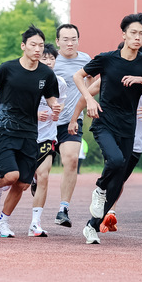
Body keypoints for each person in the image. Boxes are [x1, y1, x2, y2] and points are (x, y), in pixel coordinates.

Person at [74, 14, 142, 243]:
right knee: (114, 162)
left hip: (129, 127)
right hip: (104, 122)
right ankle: (99, 189)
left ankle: (91, 226)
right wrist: (90, 99)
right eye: (133, 32)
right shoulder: (107, 59)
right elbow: (78, 75)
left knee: (118, 183)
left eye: (141, 34)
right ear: (123, 34)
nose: (137, 37)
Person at [0, 25, 60, 238]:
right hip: (6, 129)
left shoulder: (46, 74)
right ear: (23, 46)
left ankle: (3, 223)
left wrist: (55, 106)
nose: (37, 49)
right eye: (33, 45)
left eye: (41, 45)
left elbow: (51, 97)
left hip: (29, 133)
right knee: (11, 176)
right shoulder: (7, 68)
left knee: (24, 183)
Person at [52, 24, 91, 228]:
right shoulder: (50, 59)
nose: (70, 43)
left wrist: (87, 99)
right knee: (38, 168)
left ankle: (63, 209)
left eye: (73, 38)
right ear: (57, 41)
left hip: (72, 120)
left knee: (72, 161)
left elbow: (95, 81)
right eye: (65, 39)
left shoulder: (86, 60)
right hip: (46, 122)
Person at [29, 43, 67, 236]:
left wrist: (55, 113)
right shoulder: (27, 79)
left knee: (44, 176)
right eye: (45, 58)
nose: (49, 61)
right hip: (26, 135)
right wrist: (34, 114)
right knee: (16, 179)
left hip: (47, 136)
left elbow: (58, 110)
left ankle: (35, 223)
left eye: (52, 58)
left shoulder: (60, 83)